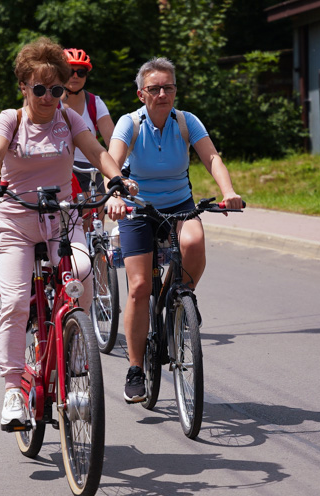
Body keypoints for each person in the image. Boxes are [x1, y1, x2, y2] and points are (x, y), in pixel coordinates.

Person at [0, 37, 135, 430]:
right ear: (24, 87)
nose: (48, 97)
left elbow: (96, 151)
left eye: (56, 89)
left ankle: (75, 353)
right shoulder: (10, 120)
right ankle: (13, 391)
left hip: (62, 219)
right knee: (14, 303)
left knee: (81, 273)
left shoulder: (68, 118)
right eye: (39, 88)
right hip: (16, 221)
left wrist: (117, 179)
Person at [108, 57, 242, 403]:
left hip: (180, 203)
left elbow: (211, 157)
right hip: (138, 208)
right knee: (138, 287)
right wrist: (117, 192)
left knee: (194, 242)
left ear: (175, 90)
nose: (162, 93)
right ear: (142, 94)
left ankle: (177, 298)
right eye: (154, 88)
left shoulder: (186, 121)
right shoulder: (129, 123)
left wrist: (228, 191)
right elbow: (113, 159)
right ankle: (136, 368)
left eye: (168, 87)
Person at [62, 49, 115, 212]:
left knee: (97, 211)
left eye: (81, 72)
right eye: (70, 71)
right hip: (62, 167)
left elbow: (112, 141)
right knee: (68, 219)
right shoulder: (50, 103)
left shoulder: (95, 102)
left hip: (90, 166)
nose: (75, 76)